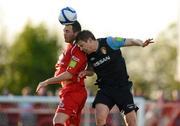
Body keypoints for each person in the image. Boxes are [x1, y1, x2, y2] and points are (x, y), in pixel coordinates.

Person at [75, 30, 154, 126]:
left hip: (122, 88)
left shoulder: (110, 42)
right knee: (100, 118)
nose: (82, 49)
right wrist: (85, 72)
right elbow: (91, 71)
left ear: (89, 40)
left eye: (82, 45)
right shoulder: (88, 55)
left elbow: (130, 41)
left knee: (132, 121)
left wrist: (141, 43)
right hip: (105, 89)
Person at [36, 21, 88, 126]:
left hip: (74, 92)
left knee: (58, 121)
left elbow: (69, 74)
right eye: (64, 31)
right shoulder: (69, 48)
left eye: (67, 31)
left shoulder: (78, 51)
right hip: (69, 91)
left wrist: (46, 82)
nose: (64, 33)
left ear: (76, 33)